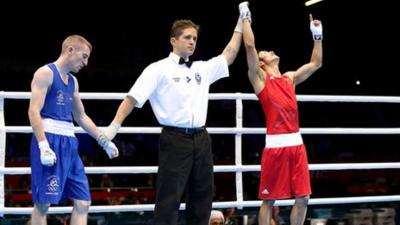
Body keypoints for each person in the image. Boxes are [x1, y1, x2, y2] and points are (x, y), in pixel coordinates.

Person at [101, 3, 250, 225]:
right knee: (169, 197)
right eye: (187, 37)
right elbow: (132, 98)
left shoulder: (201, 68)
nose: (192, 42)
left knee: (202, 196)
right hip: (174, 139)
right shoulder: (158, 69)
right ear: (173, 40)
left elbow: (228, 54)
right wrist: (114, 127)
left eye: (195, 38)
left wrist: (241, 21)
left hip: (201, 138)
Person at [242, 5, 323, 225]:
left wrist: (317, 35)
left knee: (303, 197)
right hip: (275, 148)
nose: (270, 51)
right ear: (261, 62)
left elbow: (316, 63)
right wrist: (245, 17)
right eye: (265, 52)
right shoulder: (259, 79)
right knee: (269, 199)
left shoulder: (289, 78)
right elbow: (249, 45)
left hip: (297, 145)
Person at [28, 34, 119, 225]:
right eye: (84, 56)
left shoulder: (73, 82)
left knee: (83, 202)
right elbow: (33, 111)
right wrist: (43, 145)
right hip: (50, 140)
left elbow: (81, 116)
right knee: (43, 204)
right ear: (70, 50)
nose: (86, 63)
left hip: (70, 144)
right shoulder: (45, 73)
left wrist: (104, 141)